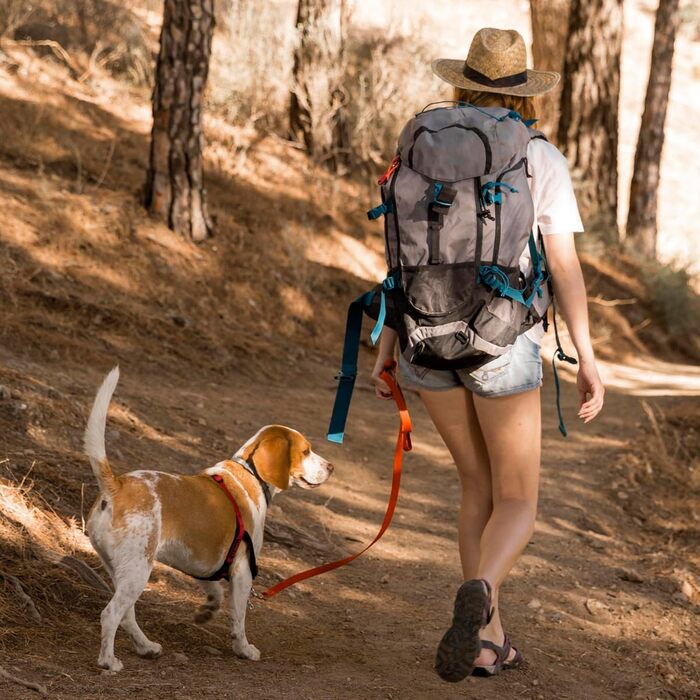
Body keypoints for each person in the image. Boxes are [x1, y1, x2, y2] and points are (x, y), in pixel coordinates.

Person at [370, 28, 605, 681]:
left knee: (475, 486)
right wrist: (586, 357)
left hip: (424, 337)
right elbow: (565, 269)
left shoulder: (420, 146)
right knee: (518, 499)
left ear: (462, 83)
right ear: (524, 90)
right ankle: (483, 590)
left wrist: (386, 344)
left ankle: (484, 642)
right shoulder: (538, 156)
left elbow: (399, 258)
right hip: (502, 341)